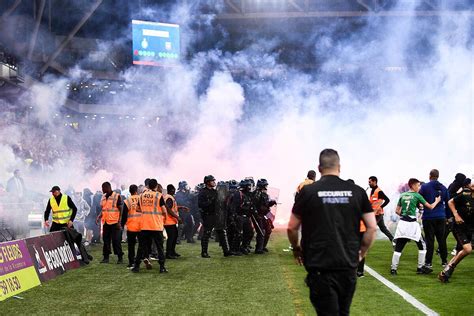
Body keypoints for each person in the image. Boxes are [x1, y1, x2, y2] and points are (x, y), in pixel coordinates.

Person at [288, 149, 377, 315]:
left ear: (319, 168)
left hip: (319, 265)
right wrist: (362, 253)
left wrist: (296, 249)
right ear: (339, 167)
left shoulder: (308, 192)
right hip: (347, 265)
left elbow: (292, 227)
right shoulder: (357, 191)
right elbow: (372, 227)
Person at [390, 178, 441, 275]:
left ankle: (393, 269)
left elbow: (397, 211)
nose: (419, 187)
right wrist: (437, 201)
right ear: (413, 185)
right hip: (412, 225)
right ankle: (420, 267)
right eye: (418, 185)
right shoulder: (417, 196)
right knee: (423, 246)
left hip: (403, 224)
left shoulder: (403, 195)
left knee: (399, 248)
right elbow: (430, 207)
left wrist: (405, 214)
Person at [438, 181, 473, 283]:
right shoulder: (464, 196)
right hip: (459, 227)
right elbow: (450, 202)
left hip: (471, 229)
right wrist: (456, 215)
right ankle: (451, 267)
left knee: (459, 252)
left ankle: (444, 273)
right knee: (467, 249)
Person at [131, 179, 168, 273]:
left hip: (145, 225)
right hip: (156, 225)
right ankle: (162, 267)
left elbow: (138, 209)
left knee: (141, 247)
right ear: (156, 186)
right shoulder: (158, 195)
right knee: (160, 247)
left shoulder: (142, 195)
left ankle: (136, 267)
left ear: (148, 186)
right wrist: (164, 218)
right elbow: (164, 210)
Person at [418, 169, 449, 272]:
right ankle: (445, 262)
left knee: (429, 240)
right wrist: (448, 216)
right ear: (438, 176)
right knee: (441, 240)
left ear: (430, 176)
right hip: (441, 216)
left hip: (428, 217)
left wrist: (420, 209)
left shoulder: (425, 187)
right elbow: (448, 202)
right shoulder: (443, 188)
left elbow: (419, 199)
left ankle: (428, 263)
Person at [198, 175, 232, 258]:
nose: (214, 182)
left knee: (222, 232)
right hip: (208, 215)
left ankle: (226, 251)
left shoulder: (215, 191)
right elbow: (201, 205)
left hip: (217, 215)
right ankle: (204, 252)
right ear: (207, 182)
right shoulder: (202, 192)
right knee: (207, 233)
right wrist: (210, 201)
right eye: (212, 181)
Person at [96, 182, 124, 264]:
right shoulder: (104, 197)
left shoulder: (116, 196)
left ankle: (120, 257)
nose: (102, 190)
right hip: (106, 222)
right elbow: (104, 208)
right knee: (106, 240)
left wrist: (119, 221)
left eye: (103, 188)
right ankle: (106, 257)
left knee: (116, 241)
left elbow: (121, 209)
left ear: (108, 187)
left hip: (115, 222)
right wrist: (99, 216)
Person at [253, 179, 277, 254]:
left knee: (268, 230)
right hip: (259, 215)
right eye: (265, 185)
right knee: (261, 231)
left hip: (264, 215)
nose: (266, 186)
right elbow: (254, 205)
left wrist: (271, 203)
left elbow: (266, 204)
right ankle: (258, 249)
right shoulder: (256, 193)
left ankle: (263, 246)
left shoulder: (265, 194)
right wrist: (256, 214)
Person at [121, 184, 141, 268]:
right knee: (142, 244)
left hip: (131, 226)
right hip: (141, 225)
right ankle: (141, 259)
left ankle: (131, 262)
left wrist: (122, 225)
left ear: (130, 191)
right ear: (137, 190)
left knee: (131, 246)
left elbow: (124, 215)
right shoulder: (141, 198)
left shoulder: (127, 201)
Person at [163, 184, 181, 259]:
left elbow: (172, 208)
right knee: (171, 237)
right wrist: (177, 217)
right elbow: (168, 209)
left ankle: (172, 251)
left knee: (175, 236)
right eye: (173, 189)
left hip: (171, 221)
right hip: (168, 221)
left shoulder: (169, 197)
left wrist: (181, 207)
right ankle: (169, 253)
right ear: (171, 190)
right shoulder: (169, 198)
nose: (174, 191)